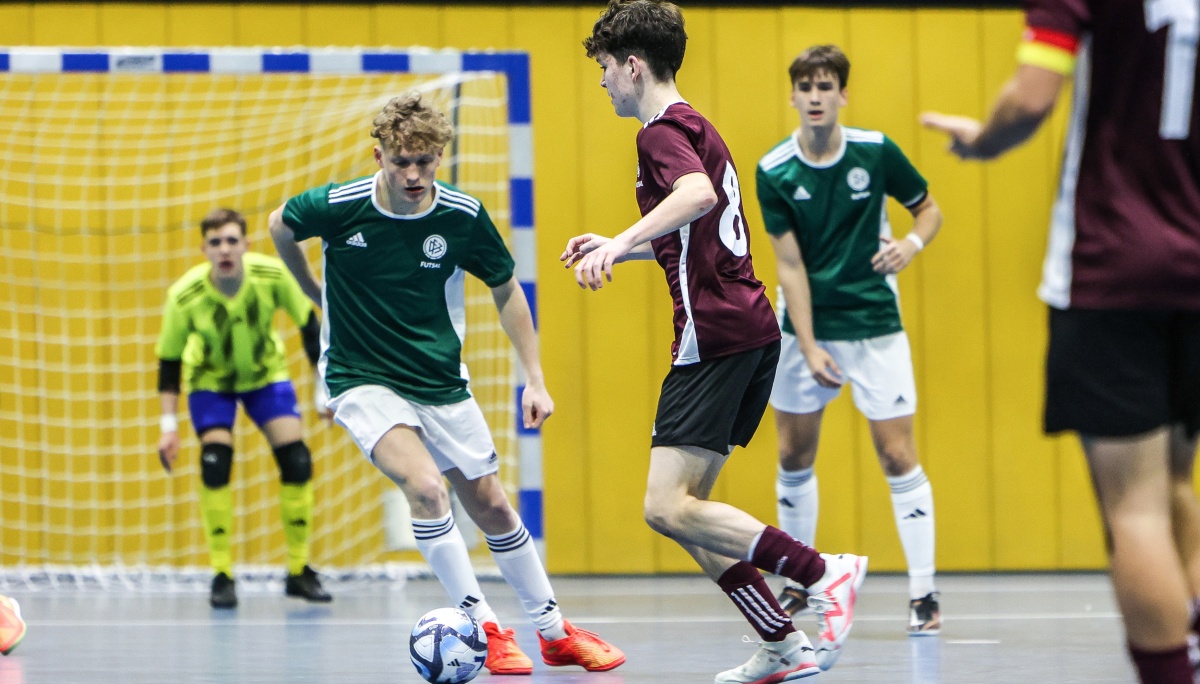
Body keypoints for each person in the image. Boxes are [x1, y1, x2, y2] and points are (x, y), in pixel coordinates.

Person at [268, 92, 624, 676]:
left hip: (438, 378)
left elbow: (506, 289)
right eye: (401, 161)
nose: (413, 174)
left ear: (440, 157)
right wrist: (314, 292)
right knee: (428, 488)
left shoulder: (461, 215)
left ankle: (556, 633)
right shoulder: (340, 205)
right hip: (360, 377)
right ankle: (485, 627)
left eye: (426, 161)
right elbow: (280, 224)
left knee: (493, 506)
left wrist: (534, 379)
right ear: (378, 154)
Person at [563, 2, 866, 681]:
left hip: (717, 334)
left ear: (633, 66)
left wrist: (620, 240)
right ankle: (784, 645)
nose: (605, 83)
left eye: (607, 70)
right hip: (747, 328)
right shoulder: (698, 123)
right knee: (688, 514)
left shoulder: (658, 134)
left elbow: (697, 196)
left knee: (665, 506)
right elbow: (703, 227)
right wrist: (624, 247)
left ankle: (825, 572)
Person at [921, 0, 1200, 680]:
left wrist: (982, 139)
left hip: (1115, 267)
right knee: (1175, 482)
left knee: (1134, 511)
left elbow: (1032, 98)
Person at [755, 45, 944, 636]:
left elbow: (928, 210)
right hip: (805, 329)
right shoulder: (774, 170)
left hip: (874, 324)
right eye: (805, 87)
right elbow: (788, 267)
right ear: (792, 96)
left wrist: (910, 246)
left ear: (842, 95)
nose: (815, 96)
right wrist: (809, 346)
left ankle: (924, 594)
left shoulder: (876, 151)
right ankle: (798, 580)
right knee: (793, 455)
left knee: (897, 454)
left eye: (825, 86)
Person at [156, 208, 333, 609]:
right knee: (215, 461)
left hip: (265, 377)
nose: (225, 250)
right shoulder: (185, 295)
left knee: (297, 460)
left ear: (246, 245)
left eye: (232, 240)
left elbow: (310, 328)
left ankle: (299, 570)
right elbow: (169, 365)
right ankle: (222, 573)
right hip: (210, 383)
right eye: (215, 242)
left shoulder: (271, 276)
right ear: (204, 249)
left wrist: (325, 394)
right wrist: (169, 427)